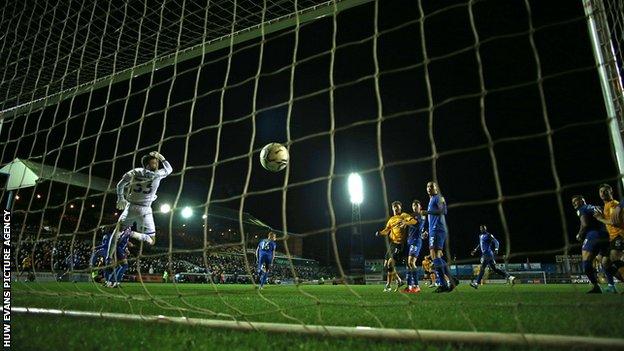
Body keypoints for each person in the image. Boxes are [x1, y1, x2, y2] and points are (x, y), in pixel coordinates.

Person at [108, 151, 172, 261]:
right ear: (148, 164)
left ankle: (108, 257)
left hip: (131, 207)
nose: (157, 165)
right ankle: (131, 233)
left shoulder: (135, 172)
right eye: (154, 163)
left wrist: (120, 198)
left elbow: (120, 185)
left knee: (117, 232)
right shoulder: (158, 174)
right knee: (152, 240)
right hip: (145, 209)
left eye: (157, 163)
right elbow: (170, 169)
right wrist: (160, 157)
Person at [420, 181, 458, 293]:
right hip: (433, 230)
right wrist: (427, 231)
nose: (429, 188)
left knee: (434, 255)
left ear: (436, 188)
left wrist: (427, 212)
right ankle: (450, 281)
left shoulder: (438, 197)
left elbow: (443, 210)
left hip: (438, 229)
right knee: (436, 257)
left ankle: (444, 284)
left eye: (431, 186)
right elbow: (432, 218)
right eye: (427, 186)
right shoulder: (431, 200)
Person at [572, 195, 610, 293]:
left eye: (575, 201)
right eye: (573, 202)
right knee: (606, 262)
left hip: (594, 236)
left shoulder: (582, 209)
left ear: (582, 200)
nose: (574, 203)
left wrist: (579, 235)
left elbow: (585, 224)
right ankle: (613, 284)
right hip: (606, 235)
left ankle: (596, 286)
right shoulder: (595, 206)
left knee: (586, 262)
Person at [377, 201, 416, 292]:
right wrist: (380, 233)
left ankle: (388, 285)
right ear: (392, 208)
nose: (396, 208)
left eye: (397, 206)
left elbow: (414, 221)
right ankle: (398, 280)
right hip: (392, 244)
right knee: (386, 264)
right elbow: (387, 230)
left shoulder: (404, 215)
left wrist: (405, 223)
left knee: (390, 263)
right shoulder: (391, 219)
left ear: (400, 208)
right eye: (394, 206)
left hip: (399, 244)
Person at [593, 184, 624, 292]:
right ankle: (612, 287)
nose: (602, 193)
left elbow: (615, 222)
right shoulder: (606, 206)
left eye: (605, 191)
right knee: (605, 262)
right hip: (613, 238)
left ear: (611, 192)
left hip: (620, 235)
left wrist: (600, 218)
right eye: (601, 191)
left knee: (615, 256)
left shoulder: (613, 205)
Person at [403, 200, 426, 293]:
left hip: (416, 241)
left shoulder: (421, 215)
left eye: (416, 205)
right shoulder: (411, 216)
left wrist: (406, 222)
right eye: (413, 205)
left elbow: (417, 224)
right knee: (408, 264)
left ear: (420, 206)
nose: (414, 206)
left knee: (412, 262)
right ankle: (409, 286)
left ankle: (416, 286)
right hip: (410, 241)